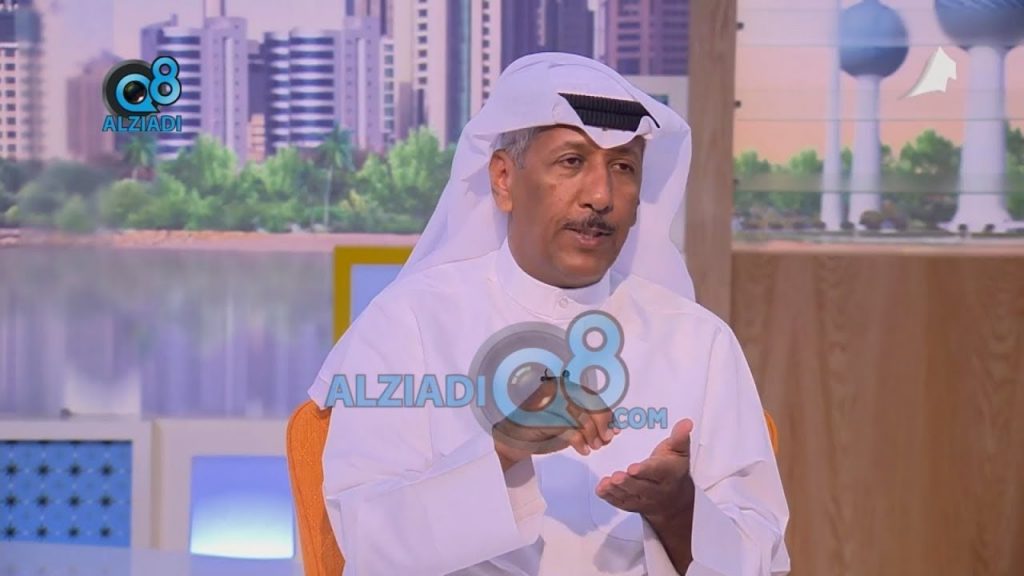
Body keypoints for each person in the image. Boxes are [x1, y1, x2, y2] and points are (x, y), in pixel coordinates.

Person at [307, 52, 790, 575]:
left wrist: (679, 510)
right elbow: (366, 542)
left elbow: (761, 559)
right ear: (503, 179)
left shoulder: (699, 341)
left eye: (623, 167)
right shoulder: (410, 322)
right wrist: (503, 448)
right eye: (572, 162)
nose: (601, 196)